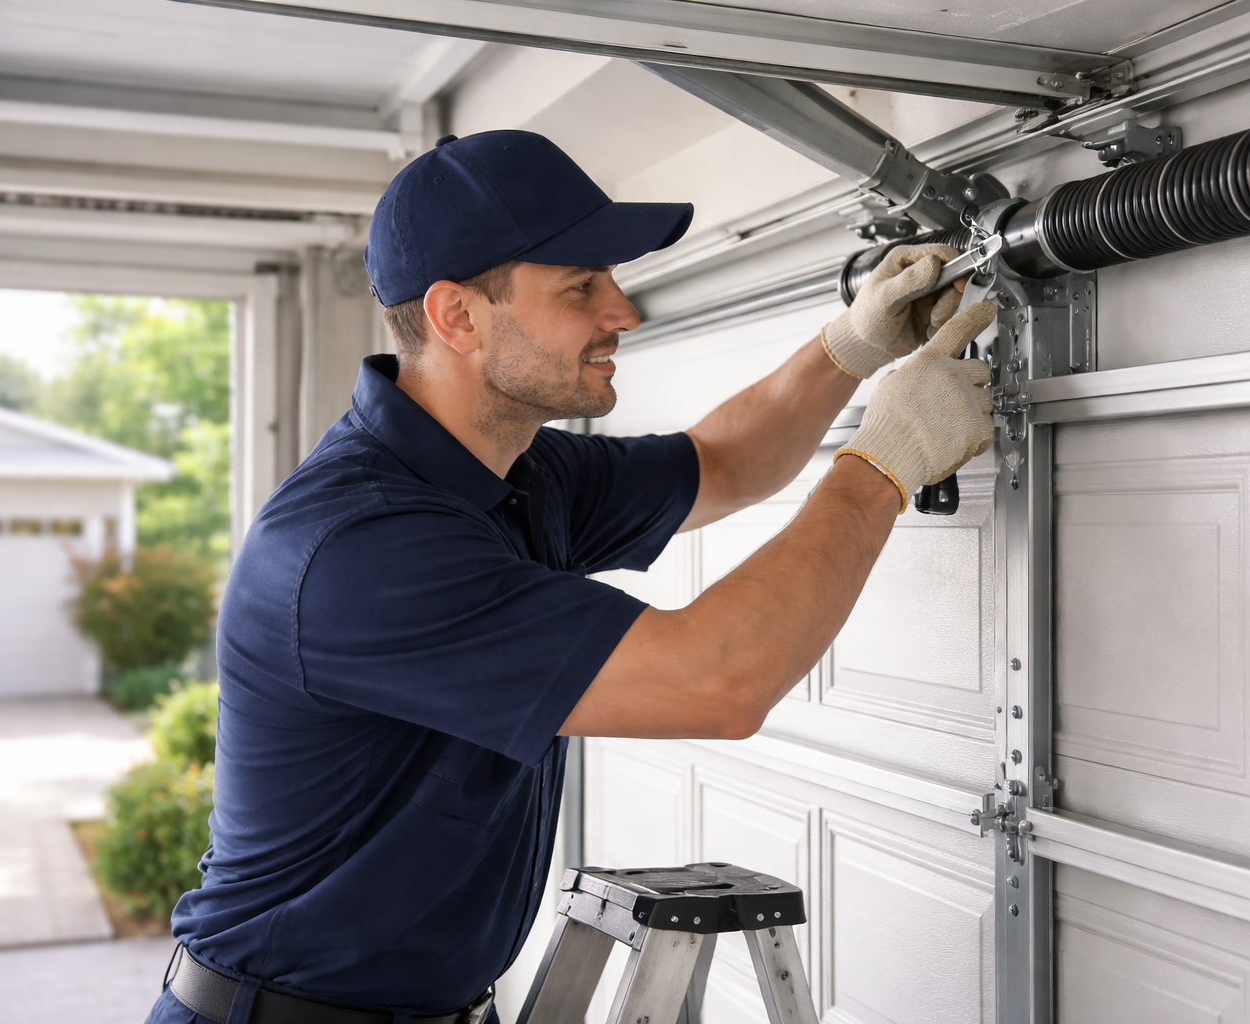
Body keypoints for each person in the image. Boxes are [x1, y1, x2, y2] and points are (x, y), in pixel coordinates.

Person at [147, 130, 994, 1024]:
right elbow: (718, 682)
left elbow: (722, 462)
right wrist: (882, 462)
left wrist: (850, 345)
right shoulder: (361, 546)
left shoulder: (513, 474)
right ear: (457, 316)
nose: (623, 311)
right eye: (581, 287)